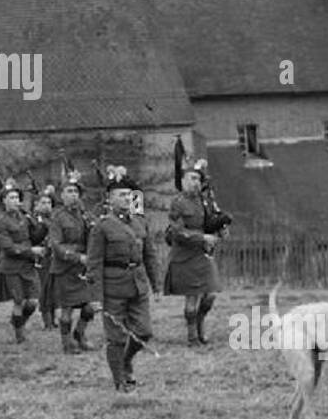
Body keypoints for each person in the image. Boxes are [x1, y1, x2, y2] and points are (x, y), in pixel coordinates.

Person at [89, 166, 160, 392]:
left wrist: (155, 284)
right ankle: (120, 379)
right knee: (116, 337)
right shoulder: (101, 227)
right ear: (109, 199)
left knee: (144, 332)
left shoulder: (140, 222)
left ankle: (127, 361)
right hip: (113, 288)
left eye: (129, 195)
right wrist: (96, 297)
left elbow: (149, 254)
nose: (127, 198)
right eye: (121, 195)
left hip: (138, 285)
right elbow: (94, 263)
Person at [164, 158, 228, 346]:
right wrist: (201, 238)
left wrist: (220, 230)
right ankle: (192, 336)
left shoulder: (205, 202)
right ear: (183, 181)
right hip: (185, 255)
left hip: (203, 255)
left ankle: (200, 326)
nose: (195, 182)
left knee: (210, 295)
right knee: (192, 297)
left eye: (198, 179)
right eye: (191, 178)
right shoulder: (178, 203)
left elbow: (210, 222)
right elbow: (177, 231)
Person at [48, 171, 96, 355]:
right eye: (69, 191)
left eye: (76, 191)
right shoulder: (58, 217)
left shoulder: (84, 215)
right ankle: (67, 343)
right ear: (62, 195)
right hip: (65, 268)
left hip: (83, 267)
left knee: (90, 308)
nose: (73, 195)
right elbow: (56, 245)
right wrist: (77, 256)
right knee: (67, 309)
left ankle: (80, 334)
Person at [0, 180, 44, 343]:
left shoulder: (26, 218)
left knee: (33, 301)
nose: (14, 201)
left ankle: (17, 323)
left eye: (16, 197)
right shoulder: (1, 222)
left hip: (28, 265)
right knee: (18, 301)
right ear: (4, 201)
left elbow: (35, 236)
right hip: (12, 267)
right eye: (10, 197)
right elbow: (8, 247)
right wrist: (29, 250)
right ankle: (18, 335)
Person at [31, 188, 56, 329]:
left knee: (53, 289)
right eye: (43, 202)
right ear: (37, 205)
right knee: (44, 290)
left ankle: (53, 319)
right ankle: (47, 321)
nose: (46, 205)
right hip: (40, 259)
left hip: (53, 258)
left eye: (49, 202)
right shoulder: (33, 220)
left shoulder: (54, 220)